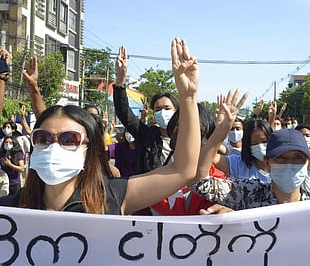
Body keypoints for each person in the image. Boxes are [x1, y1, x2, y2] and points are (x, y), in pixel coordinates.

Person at [0, 37, 201, 215]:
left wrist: (188, 97)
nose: (53, 147)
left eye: (69, 139)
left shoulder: (113, 197)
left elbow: (183, 171)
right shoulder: (10, 210)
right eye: (43, 138)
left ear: (90, 148)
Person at [192, 96, 310, 210]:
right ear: (268, 162)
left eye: (297, 158)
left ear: (308, 162)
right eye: (281, 158)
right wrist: (219, 133)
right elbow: (199, 183)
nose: (289, 164)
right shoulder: (247, 193)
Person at [114, 45, 178, 174]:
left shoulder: (187, 137)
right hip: (153, 192)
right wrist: (120, 80)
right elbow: (124, 112)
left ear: (176, 111)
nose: (162, 112)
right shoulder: (147, 136)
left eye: (167, 108)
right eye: (158, 109)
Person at [213, 118, 272, 184]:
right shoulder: (238, 164)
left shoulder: (283, 165)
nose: (260, 147)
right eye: (254, 143)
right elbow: (209, 158)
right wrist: (219, 130)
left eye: (264, 141)